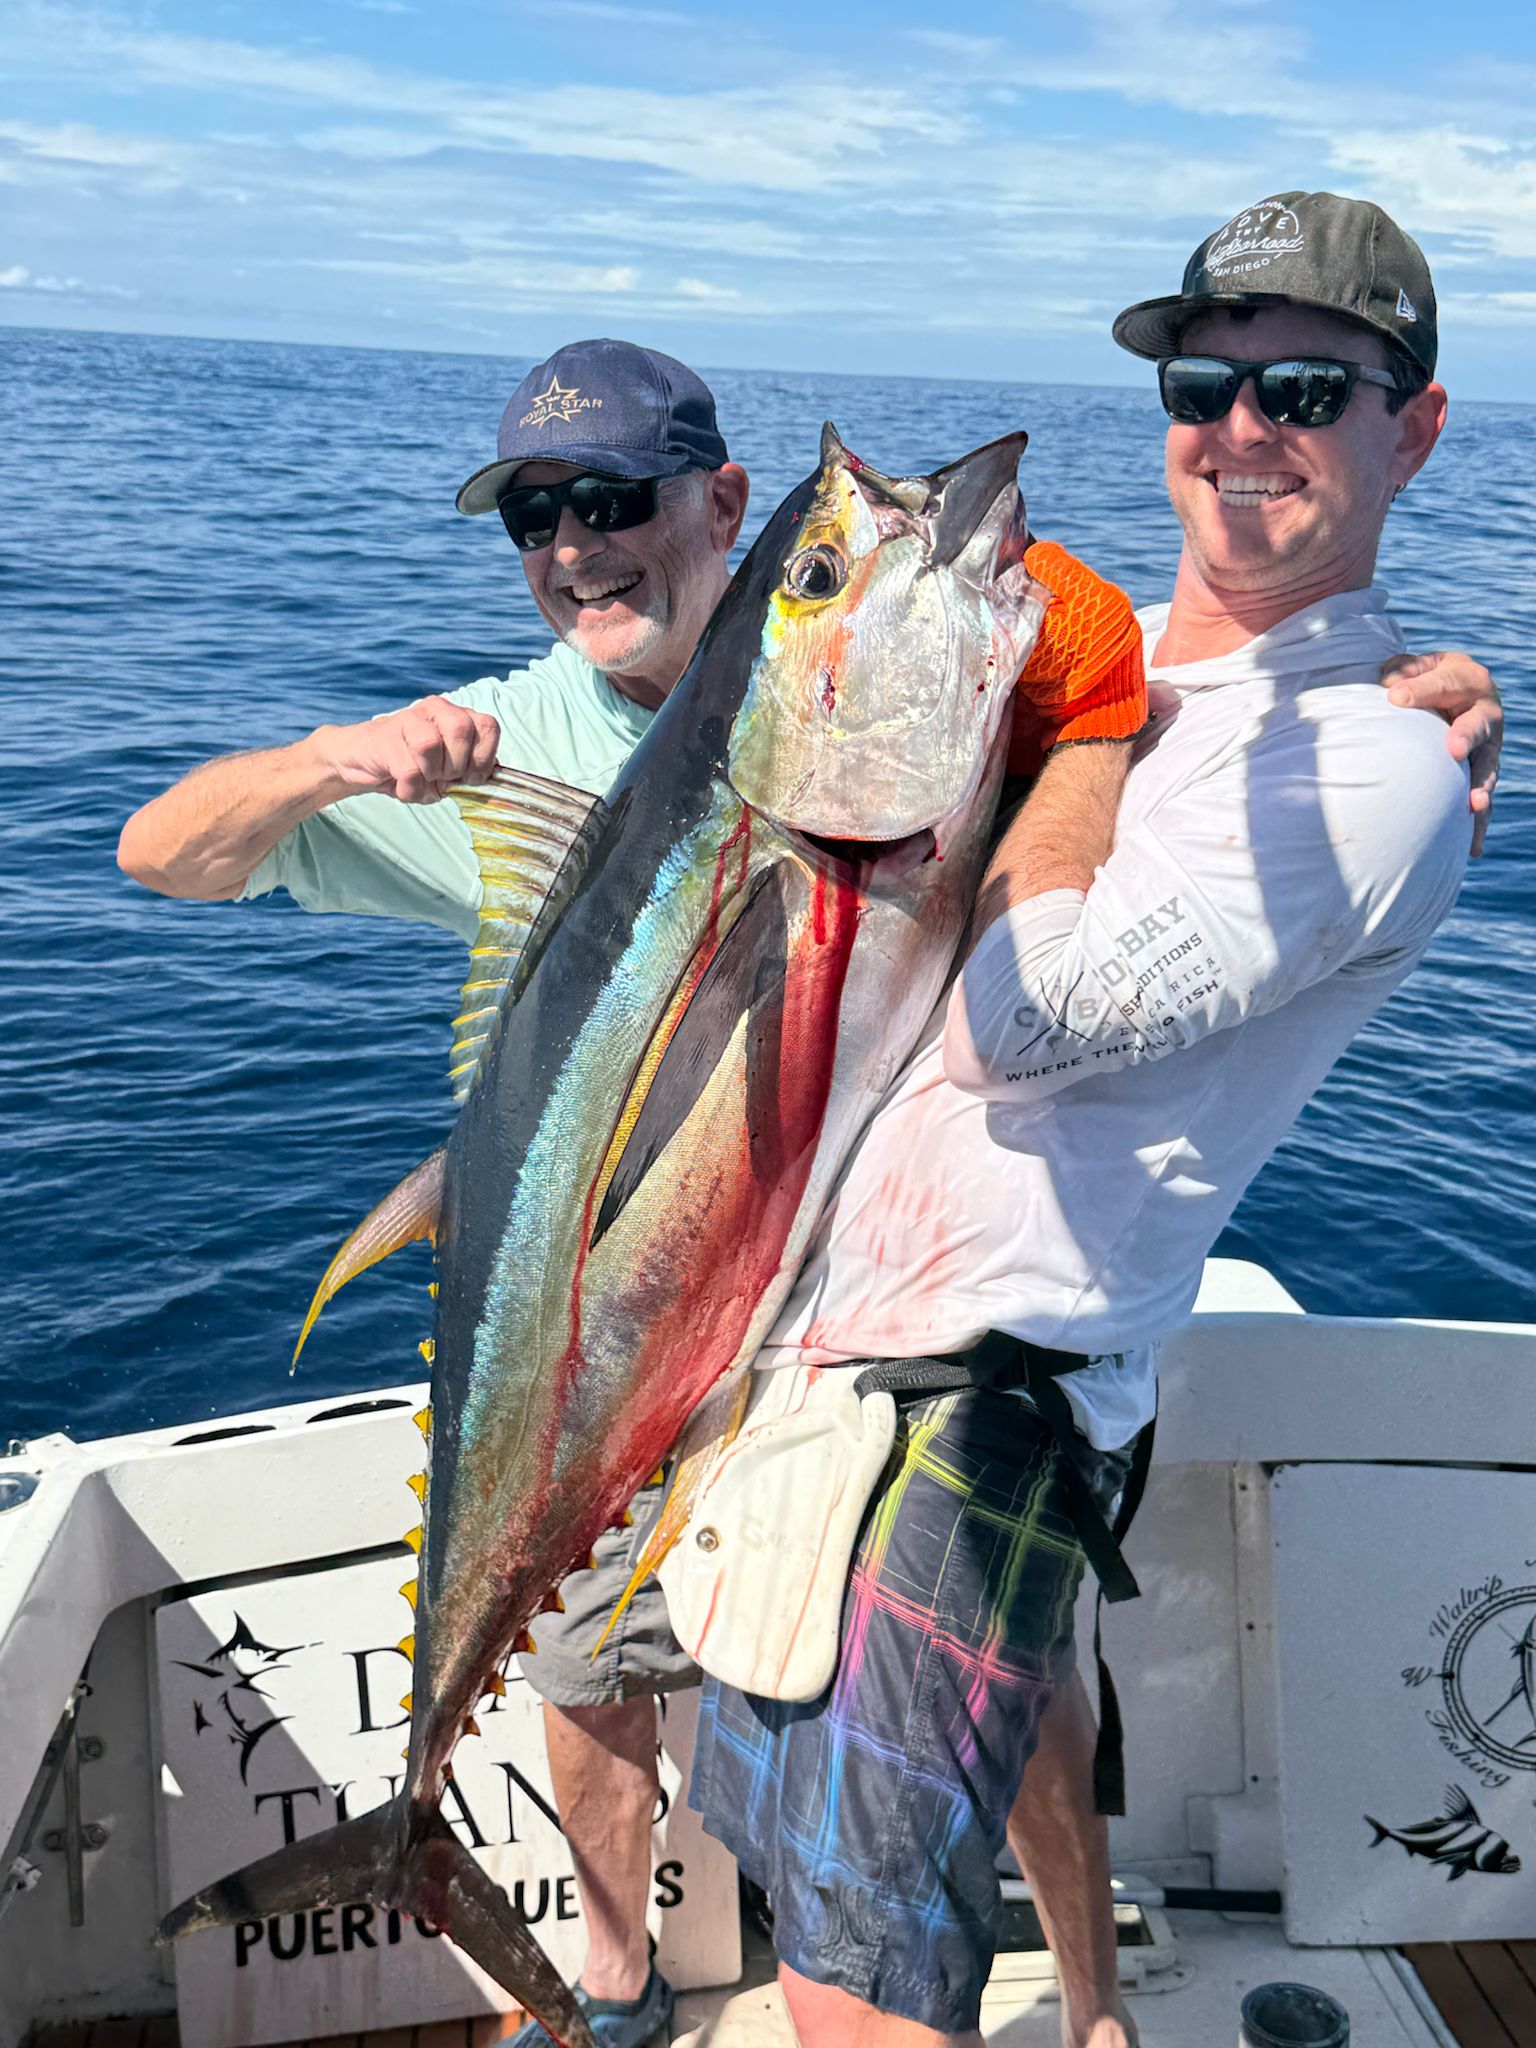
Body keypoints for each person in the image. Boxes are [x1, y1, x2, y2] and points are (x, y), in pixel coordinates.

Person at [116, 314, 1498, 2048]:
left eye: (611, 497)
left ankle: (1087, 2002)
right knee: (617, 1688)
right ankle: (602, 1986)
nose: (572, 545)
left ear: (724, 508)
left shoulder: (905, 696)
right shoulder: (508, 739)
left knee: (1010, 1718)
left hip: (885, 1333)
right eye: (530, 515)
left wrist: (1391, 687)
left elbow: (1147, 726)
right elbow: (155, 852)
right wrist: (329, 759)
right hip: (629, 1311)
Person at [683, 190, 1492, 2048]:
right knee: (937, 1791)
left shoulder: (1371, 764)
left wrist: (1098, 716)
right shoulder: (1122, 680)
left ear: (1416, 428)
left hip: (970, 1393)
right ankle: (1107, 2012)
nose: (1240, 427)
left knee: (851, 1970)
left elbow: (1013, 1026)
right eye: (1203, 385)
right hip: (841, 1348)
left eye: (1308, 385)